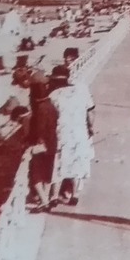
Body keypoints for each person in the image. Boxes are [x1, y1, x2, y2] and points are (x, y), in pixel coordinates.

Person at [47, 63, 95, 208]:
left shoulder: (53, 96)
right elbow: (90, 112)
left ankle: (54, 196)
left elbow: (51, 118)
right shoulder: (82, 90)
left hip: (62, 132)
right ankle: (75, 195)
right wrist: (90, 127)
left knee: (59, 163)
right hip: (80, 132)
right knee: (77, 163)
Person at [25, 75, 58, 212]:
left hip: (42, 145)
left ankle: (44, 202)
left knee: (35, 175)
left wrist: (34, 144)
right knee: (47, 173)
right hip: (53, 143)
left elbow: (39, 130)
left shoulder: (40, 110)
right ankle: (45, 199)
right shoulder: (51, 106)